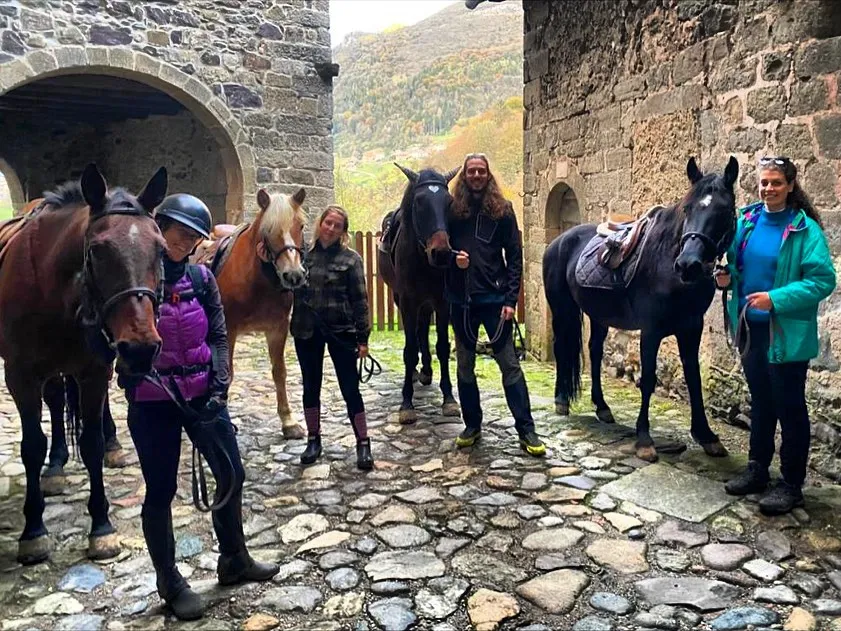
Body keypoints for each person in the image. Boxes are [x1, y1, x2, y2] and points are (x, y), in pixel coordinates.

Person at [122, 194, 278, 620]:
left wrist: (220, 384)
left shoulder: (201, 278)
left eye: (193, 235)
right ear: (161, 228)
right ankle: (169, 581)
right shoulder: (139, 282)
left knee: (231, 472)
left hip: (202, 395)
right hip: (154, 402)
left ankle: (234, 558)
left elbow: (219, 335)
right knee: (160, 491)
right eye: (180, 231)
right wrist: (133, 373)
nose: (185, 240)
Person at [715, 157, 836, 516]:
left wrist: (776, 299)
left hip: (786, 334)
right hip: (751, 329)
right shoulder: (747, 222)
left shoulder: (804, 230)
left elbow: (822, 280)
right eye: (764, 182)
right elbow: (736, 267)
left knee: (790, 407)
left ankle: (791, 484)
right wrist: (725, 279)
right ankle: (757, 468)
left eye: (776, 183)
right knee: (761, 400)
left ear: (791, 185)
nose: (768, 189)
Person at [447, 153, 546, 456]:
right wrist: (453, 259)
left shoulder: (503, 211)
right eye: (471, 171)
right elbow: (436, 252)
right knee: (465, 366)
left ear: (489, 176)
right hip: (461, 302)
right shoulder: (451, 212)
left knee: (510, 366)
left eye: (481, 171)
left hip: (495, 301)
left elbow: (514, 258)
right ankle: (472, 425)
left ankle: (526, 430)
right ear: (463, 176)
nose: (476, 176)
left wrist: (511, 300)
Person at [291, 204, 374, 470]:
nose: (331, 228)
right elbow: (282, 283)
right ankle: (313, 440)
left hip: (341, 333)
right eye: (328, 223)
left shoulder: (352, 259)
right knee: (310, 386)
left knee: (350, 388)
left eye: (337, 225)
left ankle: (363, 442)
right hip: (306, 330)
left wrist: (363, 339)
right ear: (320, 224)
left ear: (343, 232)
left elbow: (360, 301)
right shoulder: (302, 257)